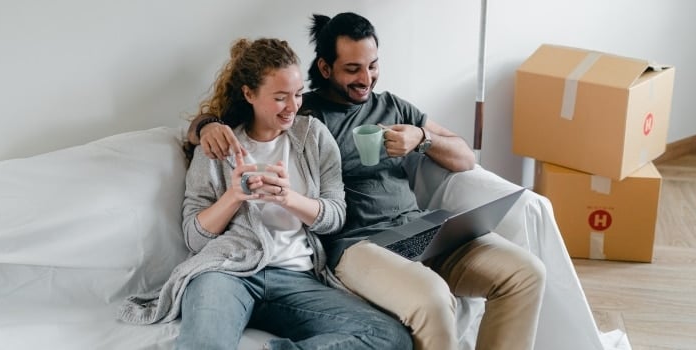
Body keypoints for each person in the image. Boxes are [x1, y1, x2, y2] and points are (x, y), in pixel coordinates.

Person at [186, 14, 546, 350]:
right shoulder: (305, 115)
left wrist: (422, 138)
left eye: (372, 66)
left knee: (526, 273)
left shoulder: (393, 106)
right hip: (359, 245)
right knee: (433, 298)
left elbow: (465, 157)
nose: (366, 78)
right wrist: (205, 127)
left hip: (419, 230)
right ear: (325, 68)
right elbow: (235, 121)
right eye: (352, 69)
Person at [120, 38, 412, 350]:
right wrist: (233, 196)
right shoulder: (219, 145)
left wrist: (288, 198)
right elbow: (195, 238)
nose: (293, 106)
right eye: (280, 97)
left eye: (298, 95)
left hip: (297, 278)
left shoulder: (313, 137)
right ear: (249, 94)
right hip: (226, 273)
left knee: (390, 337)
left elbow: (335, 217)